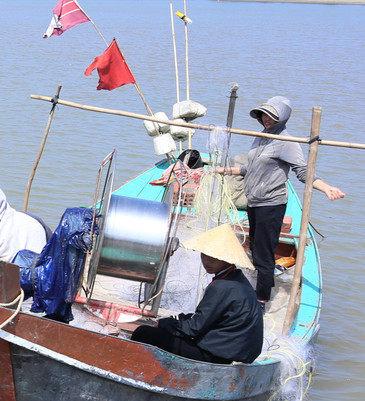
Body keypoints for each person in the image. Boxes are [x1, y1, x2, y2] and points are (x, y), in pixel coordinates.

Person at [216, 96, 345, 304]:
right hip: (254, 201)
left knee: (264, 254)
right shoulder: (260, 137)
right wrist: (227, 170)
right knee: (255, 248)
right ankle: (262, 286)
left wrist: (326, 188)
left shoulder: (287, 142)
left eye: (271, 116)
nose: (267, 119)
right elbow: (252, 168)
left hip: (271, 204)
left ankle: (261, 300)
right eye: (264, 115)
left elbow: (303, 172)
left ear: (282, 118)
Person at [131, 224, 264, 364]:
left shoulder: (222, 286)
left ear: (226, 258)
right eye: (204, 254)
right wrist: (177, 320)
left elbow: (194, 328)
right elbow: (206, 318)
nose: (207, 261)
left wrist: (166, 323)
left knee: (144, 332)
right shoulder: (236, 279)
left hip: (217, 354)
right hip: (227, 348)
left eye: (214, 257)